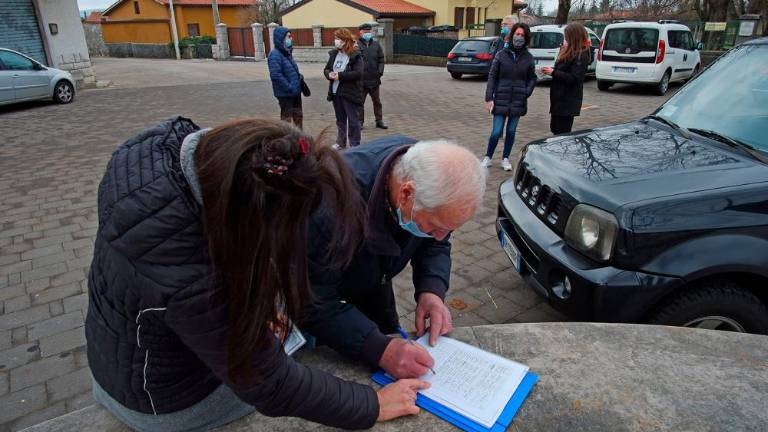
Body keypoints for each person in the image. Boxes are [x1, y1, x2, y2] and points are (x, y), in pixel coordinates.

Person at [85, 117, 430, 432]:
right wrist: (370, 403)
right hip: (160, 400)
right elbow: (268, 383)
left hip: (121, 358)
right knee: (297, 350)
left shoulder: (166, 150)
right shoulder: (190, 270)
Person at [302, 136, 487, 380]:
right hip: (318, 293)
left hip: (373, 279)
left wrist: (431, 290)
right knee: (317, 365)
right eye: (435, 226)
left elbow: (435, 243)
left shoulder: (425, 171)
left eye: (448, 229)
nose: (441, 237)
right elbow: (313, 301)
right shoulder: (328, 206)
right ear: (406, 193)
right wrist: (379, 350)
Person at [482, 23, 536, 172]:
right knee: (496, 132)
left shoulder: (528, 58)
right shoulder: (501, 55)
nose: (519, 37)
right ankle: (488, 157)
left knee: (511, 132)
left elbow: (533, 78)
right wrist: (489, 98)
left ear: (526, 38)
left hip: (518, 100)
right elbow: (492, 76)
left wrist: (526, 91)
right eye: (517, 34)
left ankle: (505, 158)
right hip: (501, 98)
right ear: (512, 35)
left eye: (522, 35)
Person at [541, 22, 592, 135]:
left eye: (566, 37)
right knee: (554, 128)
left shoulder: (581, 56)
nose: (564, 39)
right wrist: (551, 70)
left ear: (573, 37)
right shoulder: (567, 52)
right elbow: (561, 69)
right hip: (558, 100)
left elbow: (574, 78)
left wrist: (553, 72)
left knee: (562, 133)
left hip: (567, 102)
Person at [324, 28, 364, 149]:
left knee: (353, 120)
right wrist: (329, 74)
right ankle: (340, 142)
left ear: (345, 40)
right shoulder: (334, 54)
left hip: (349, 93)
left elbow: (358, 73)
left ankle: (354, 144)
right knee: (340, 119)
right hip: (336, 92)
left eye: (338, 39)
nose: (335, 41)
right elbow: (327, 69)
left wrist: (340, 76)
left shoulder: (355, 55)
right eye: (335, 38)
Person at [268, 27, 303, 129]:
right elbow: (276, 75)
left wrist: (298, 78)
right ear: (280, 38)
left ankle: (300, 139)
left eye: (290, 36)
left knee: (298, 117)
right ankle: (286, 139)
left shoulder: (287, 53)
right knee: (286, 120)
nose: (291, 39)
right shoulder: (275, 55)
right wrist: (290, 87)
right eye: (288, 37)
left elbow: (290, 70)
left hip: (295, 92)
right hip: (285, 94)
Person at [356, 23, 388, 130]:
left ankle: (379, 121)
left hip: (374, 80)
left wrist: (379, 72)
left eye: (369, 32)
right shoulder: (356, 45)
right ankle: (360, 122)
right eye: (365, 32)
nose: (368, 34)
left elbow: (381, 60)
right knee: (360, 102)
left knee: (377, 102)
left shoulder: (376, 45)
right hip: (361, 81)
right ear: (360, 33)